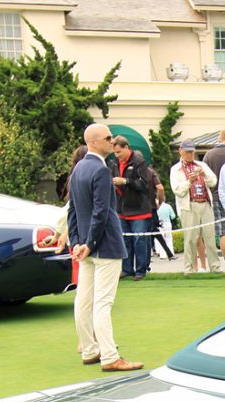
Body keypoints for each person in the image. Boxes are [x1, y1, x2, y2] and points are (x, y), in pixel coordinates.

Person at [68, 124, 142, 372]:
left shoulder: (78, 168)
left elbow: (74, 211)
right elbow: (100, 211)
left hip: (89, 246)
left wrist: (78, 242)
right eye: (108, 138)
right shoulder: (99, 169)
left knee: (84, 300)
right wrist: (87, 244)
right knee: (101, 303)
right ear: (93, 142)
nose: (112, 141)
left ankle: (90, 350)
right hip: (104, 245)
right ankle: (109, 356)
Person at [169, 140, 220, 274]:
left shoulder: (201, 165)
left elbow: (213, 181)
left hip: (205, 203)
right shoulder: (175, 169)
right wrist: (189, 182)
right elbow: (178, 190)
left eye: (192, 152)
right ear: (181, 151)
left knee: (210, 238)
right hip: (189, 206)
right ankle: (189, 269)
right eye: (187, 152)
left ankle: (215, 267)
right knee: (190, 239)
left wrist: (205, 175)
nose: (190, 155)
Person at [107, 136, 153, 280]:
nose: (117, 155)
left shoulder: (139, 162)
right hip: (121, 209)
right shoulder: (113, 163)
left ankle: (141, 270)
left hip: (139, 209)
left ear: (126, 148)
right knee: (124, 240)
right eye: (115, 153)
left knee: (139, 240)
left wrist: (126, 181)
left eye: (119, 152)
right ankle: (126, 269)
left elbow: (145, 184)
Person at [204, 128, 225, 271]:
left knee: (224, 232)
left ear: (219, 138)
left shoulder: (209, 155)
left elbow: (205, 177)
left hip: (216, 196)